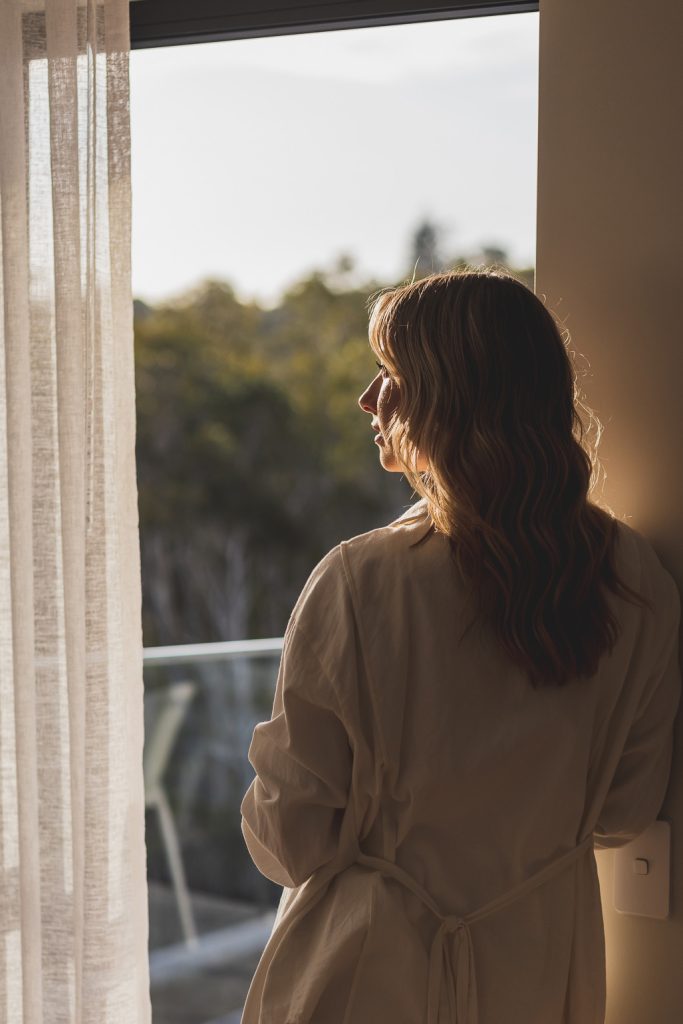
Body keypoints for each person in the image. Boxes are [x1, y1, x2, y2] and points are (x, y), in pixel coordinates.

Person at [239, 270, 681, 1024]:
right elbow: (621, 811)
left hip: (367, 974)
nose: (367, 400)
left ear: (448, 396)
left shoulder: (361, 579)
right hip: (543, 968)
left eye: (390, 375)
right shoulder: (636, 579)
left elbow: (290, 840)